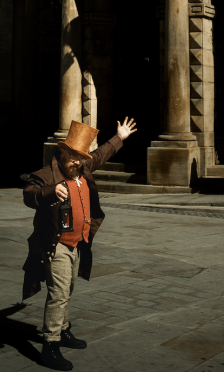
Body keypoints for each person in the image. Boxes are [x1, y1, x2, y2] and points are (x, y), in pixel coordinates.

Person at [22, 117, 137, 371]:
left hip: (78, 243)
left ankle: (63, 331)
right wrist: (50, 192)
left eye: (82, 158)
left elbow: (101, 154)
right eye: (74, 157)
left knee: (69, 288)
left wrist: (120, 137)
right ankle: (49, 345)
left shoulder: (83, 168)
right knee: (59, 294)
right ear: (62, 151)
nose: (78, 162)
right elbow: (28, 194)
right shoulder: (47, 175)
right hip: (57, 244)